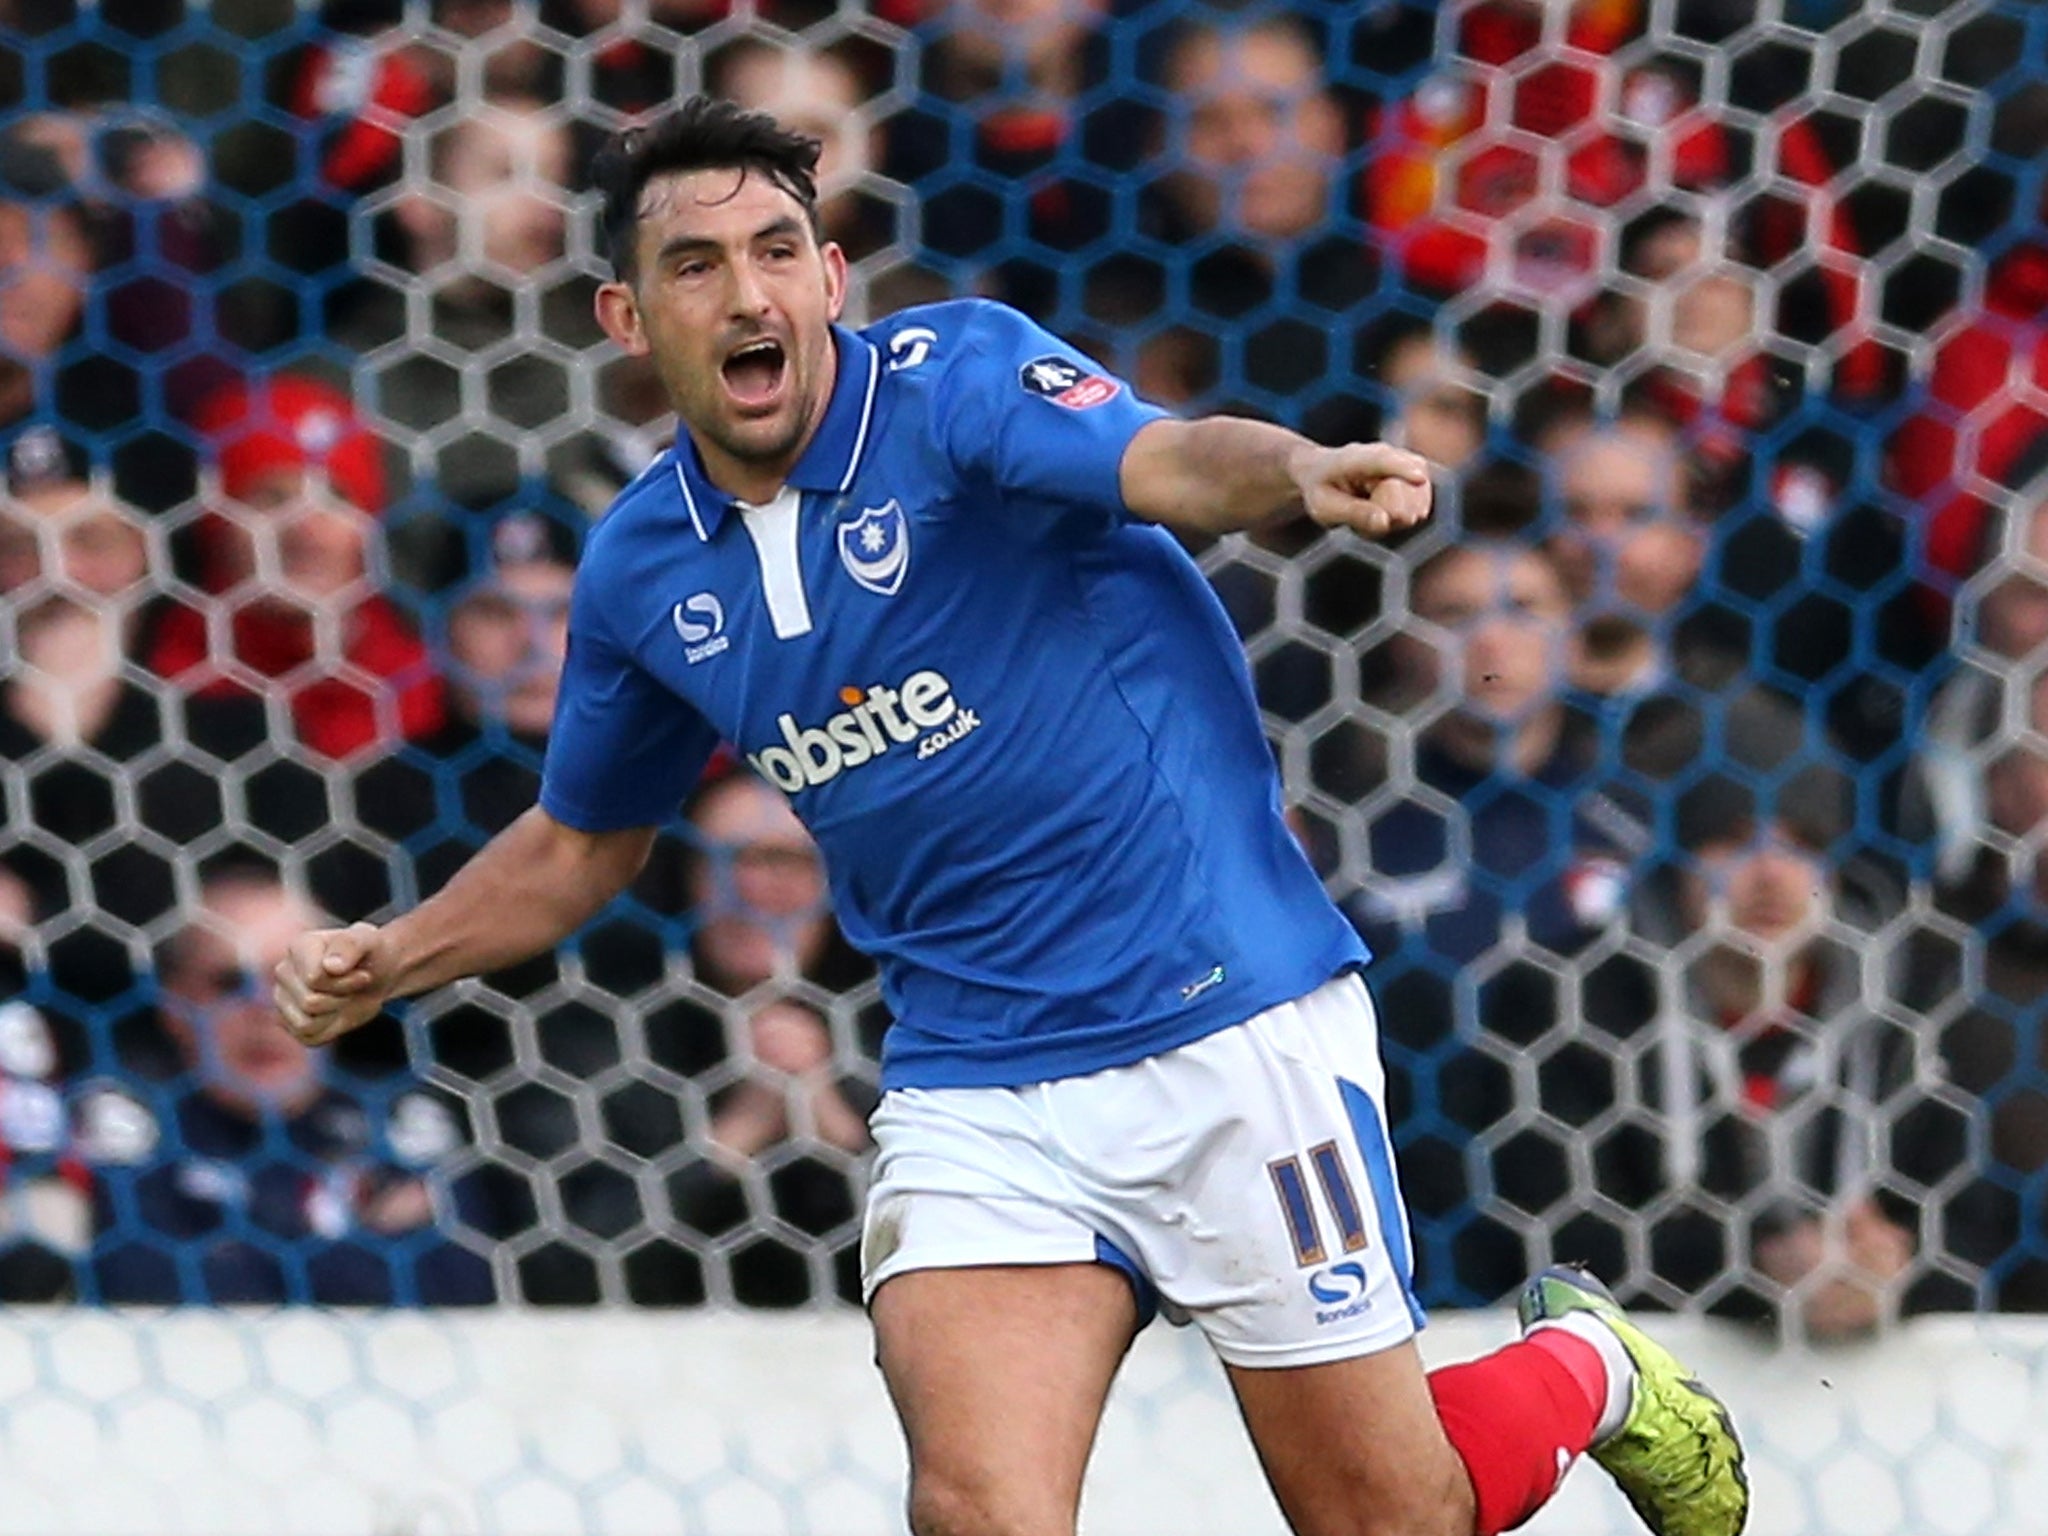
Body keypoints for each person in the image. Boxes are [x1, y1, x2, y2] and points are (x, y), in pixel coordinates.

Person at [273, 99, 1746, 1536]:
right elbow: (584, 838)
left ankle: (1594, 1370)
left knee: (1388, 1516)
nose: (749, 292)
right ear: (622, 316)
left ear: (831, 277)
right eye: (696, 264)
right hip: (975, 1079)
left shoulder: (952, 381)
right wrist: (388, 959)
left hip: (1222, 1021)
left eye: (780, 250)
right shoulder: (645, 566)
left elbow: (1163, 459)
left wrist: (1294, 475)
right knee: (978, 1509)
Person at [87, 863, 497, 1305]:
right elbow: (138, 1283)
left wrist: (235, 1240)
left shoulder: (399, 1114)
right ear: (174, 1003)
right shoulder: (129, 1115)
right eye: (231, 983)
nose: (265, 1008)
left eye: (297, 982)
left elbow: (459, 1287)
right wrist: (345, 1237)